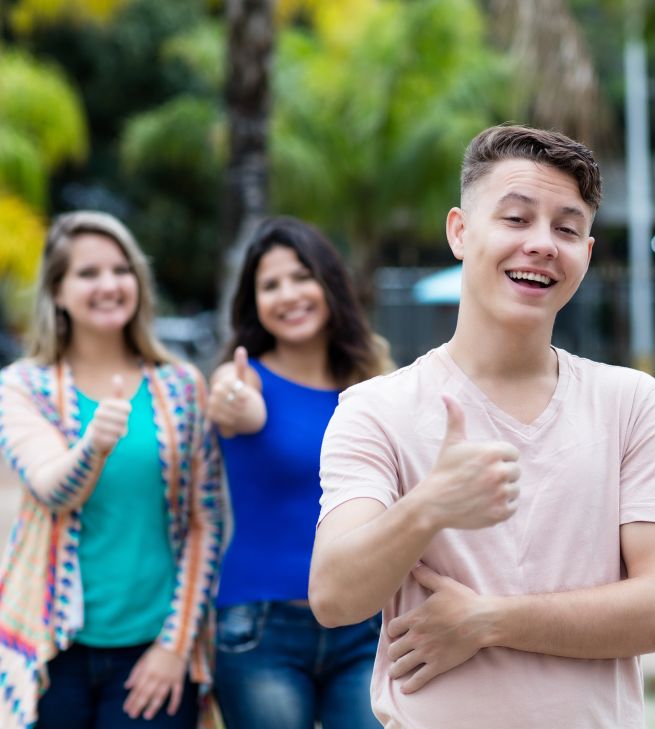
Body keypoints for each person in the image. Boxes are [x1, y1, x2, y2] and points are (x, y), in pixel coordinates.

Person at [308, 124, 655, 729]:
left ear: (586, 256)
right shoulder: (375, 408)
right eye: (516, 219)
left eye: (567, 229)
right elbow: (334, 597)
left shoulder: (632, 402)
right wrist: (430, 506)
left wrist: (489, 620)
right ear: (460, 231)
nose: (542, 244)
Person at [0, 211, 224, 728]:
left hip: (153, 654)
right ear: (56, 292)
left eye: (121, 270)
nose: (109, 285)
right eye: (87, 273)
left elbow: (204, 520)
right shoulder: (23, 386)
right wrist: (92, 447)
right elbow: (54, 489)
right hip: (52, 655)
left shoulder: (182, 387)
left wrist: (175, 646)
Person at [206, 216, 392, 729]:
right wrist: (231, 400)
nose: (288, 294)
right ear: (254, 302)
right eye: (270, 285)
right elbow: (234, 405)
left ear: (329, 283)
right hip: (261, 627)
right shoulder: (244, 379)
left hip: (364, 624)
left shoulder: (374, 385)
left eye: (301, 276)